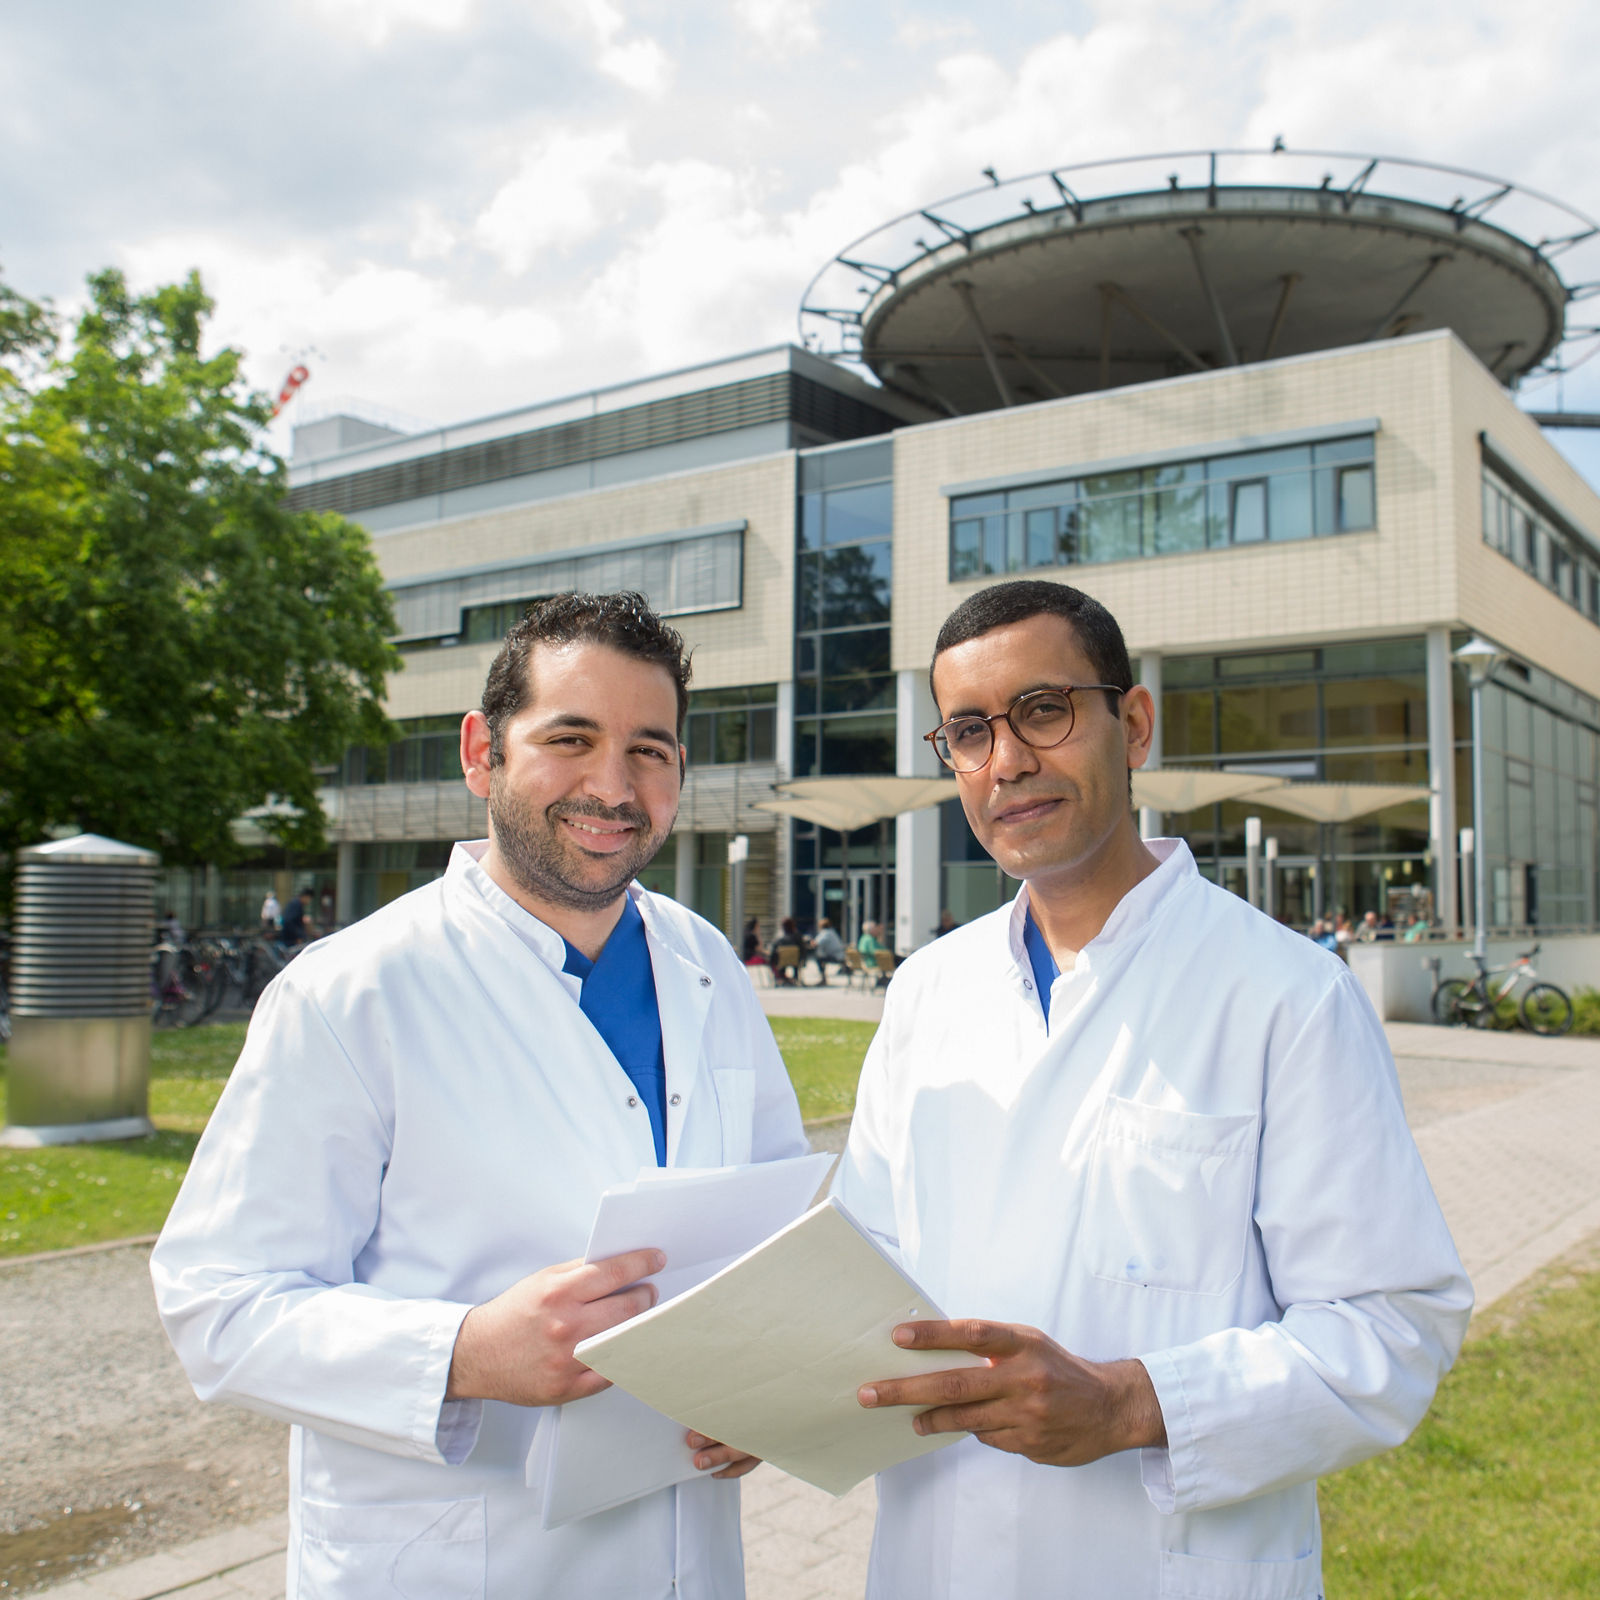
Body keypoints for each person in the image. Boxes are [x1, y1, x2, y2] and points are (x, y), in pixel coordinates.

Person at [151, 592, 809, 1600]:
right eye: (570, 739)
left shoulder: (706, 961)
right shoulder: (351, 991)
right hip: (450, 1559)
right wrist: (462, 1352)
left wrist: (763, 1383)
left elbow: (778, 1228)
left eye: (648, 750)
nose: (612, 785)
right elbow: (219, 1303)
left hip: (690, 1552)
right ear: (480, 752)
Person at [836, 579, 1469, 1599]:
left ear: (1132, 725)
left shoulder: (1285, 995)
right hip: (935, 1559)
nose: (1007, 761)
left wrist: (1133, 1404)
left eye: (1043, 711)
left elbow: (1393, 1325)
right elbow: (862, 1268)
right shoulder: (925, 992)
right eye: (968, 732)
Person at [812, 917, 846, 984]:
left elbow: (817, 943)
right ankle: (823, 978)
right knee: (821, 958)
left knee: (819, 959)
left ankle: (823, 979)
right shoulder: (832, 932)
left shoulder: (826, 933)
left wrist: (811, 942)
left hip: (835, 956)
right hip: (839, 955)